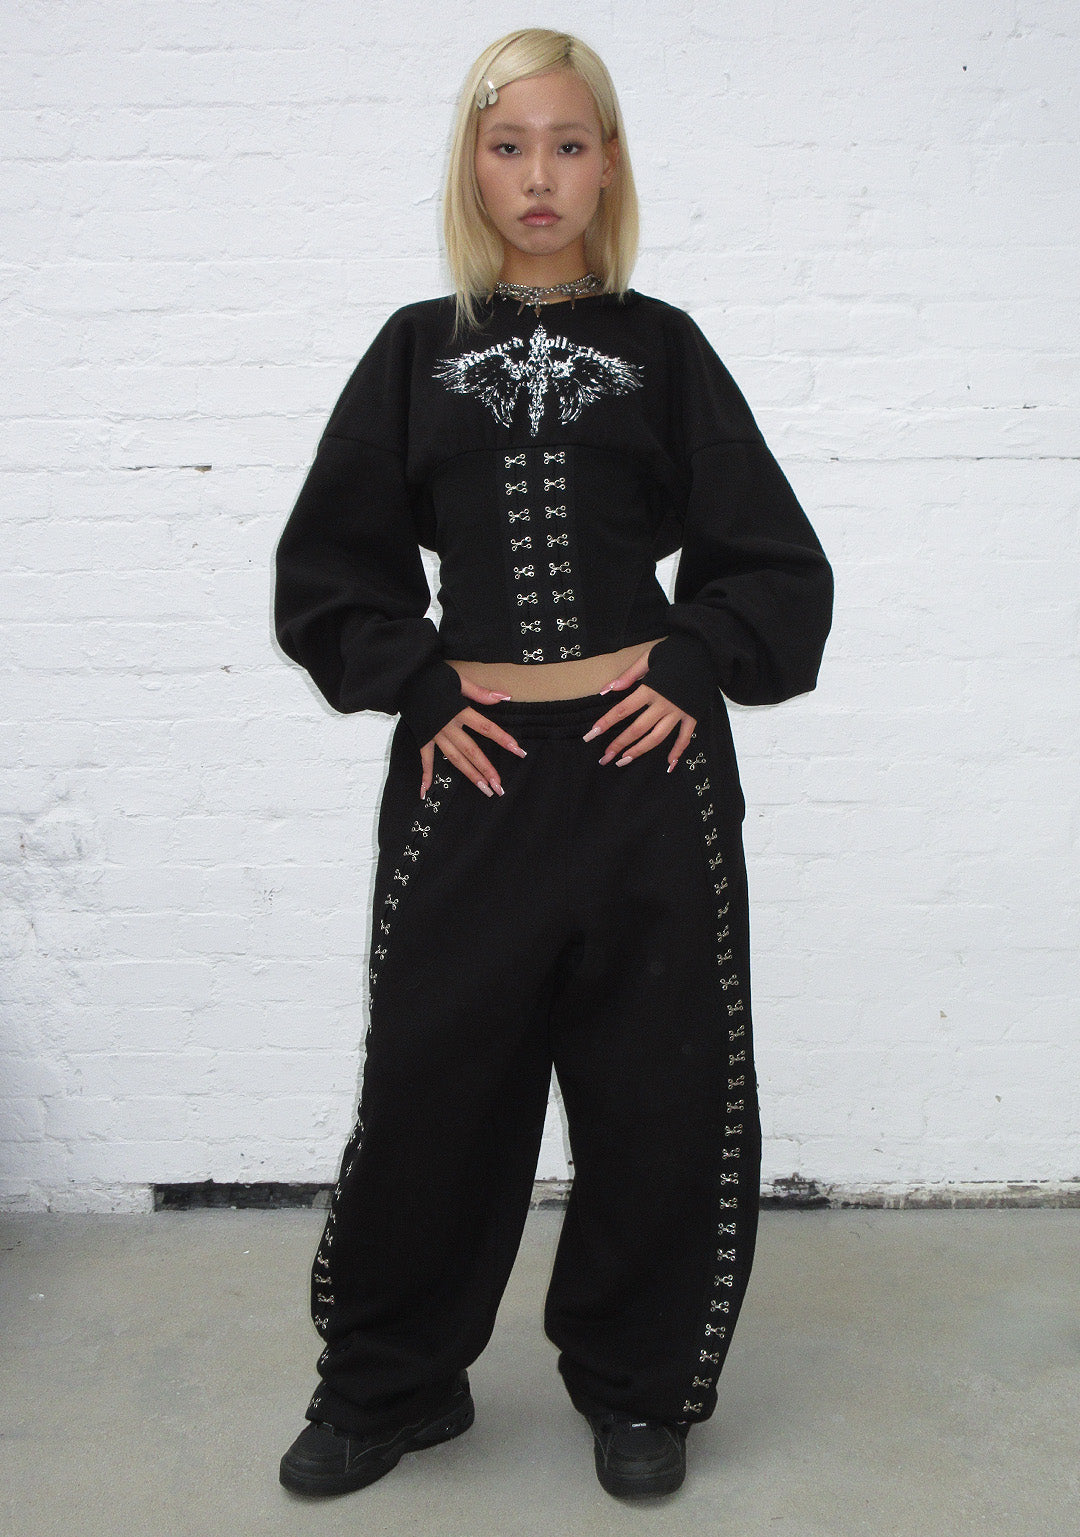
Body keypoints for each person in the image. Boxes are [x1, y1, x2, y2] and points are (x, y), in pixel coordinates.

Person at [272, 27, 832, 1502]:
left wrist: (695, 658)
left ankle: (640, 1388)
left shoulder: (664, 348)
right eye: (509, 145)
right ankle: (392, 1380)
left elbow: (776, 564)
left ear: (608, 164)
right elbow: (330, 568)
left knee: (662, 1087)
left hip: (650, 778)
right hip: (471, 780)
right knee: (432, 1084)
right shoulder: (415, 351)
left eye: (569, 146)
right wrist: (415, 684)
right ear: (472, 164)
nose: (539, 176)